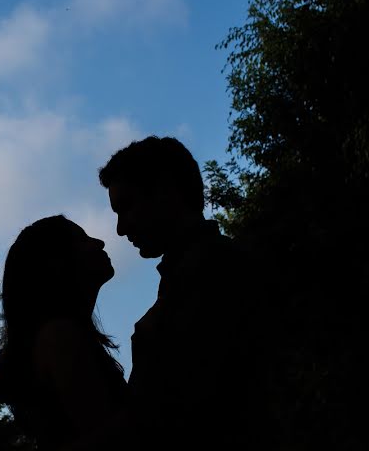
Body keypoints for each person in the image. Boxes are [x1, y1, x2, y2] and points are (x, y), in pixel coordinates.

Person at [98, 135, 258, 449]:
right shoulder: (206, 267)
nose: (119, 228)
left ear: (166, 193)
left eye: (127, 207)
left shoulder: (210, 273)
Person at [0, 215, 130, 449]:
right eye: (82, 239)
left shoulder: (55, 336)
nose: (100, 242)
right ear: (56, 262)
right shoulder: (60, 337)